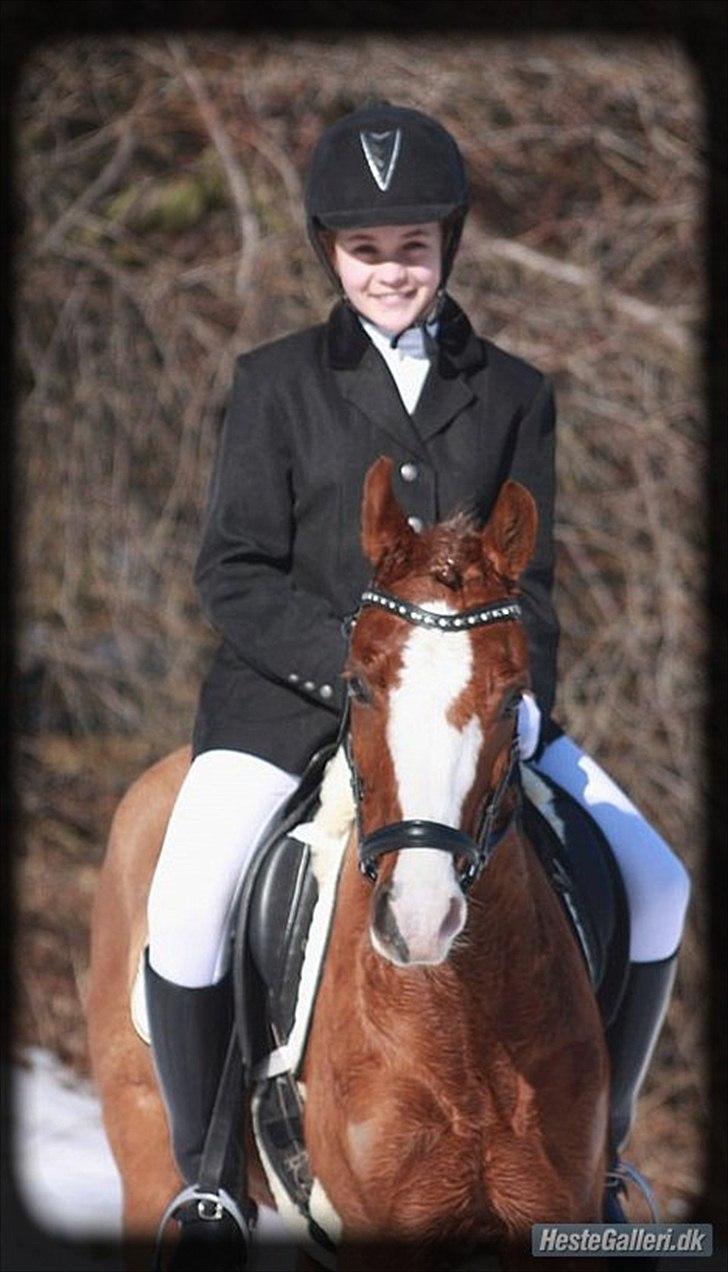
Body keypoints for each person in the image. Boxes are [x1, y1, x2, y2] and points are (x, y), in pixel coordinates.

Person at [144, 102, 690, 1246]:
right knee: (188, 902)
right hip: (289, 707)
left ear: (446, 246)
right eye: (361, 249)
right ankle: (207, 1177)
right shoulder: (275, 381)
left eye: (408, 247)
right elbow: (232, 569)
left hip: (470, 718)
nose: (386, 272)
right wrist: (347, 676)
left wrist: (515, 692)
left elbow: (527, 585)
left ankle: (600, 1164)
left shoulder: (514, 391)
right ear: (326, 254)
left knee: (655, 881)